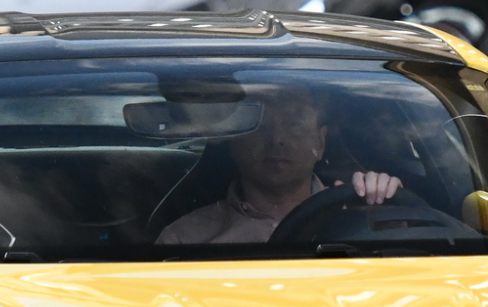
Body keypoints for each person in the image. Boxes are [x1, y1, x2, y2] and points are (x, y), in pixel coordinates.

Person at [155, 85, 401, 244]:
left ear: (321, 141)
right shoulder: (185, 239)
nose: (277, 139)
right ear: (234, 141)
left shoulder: (361, 215)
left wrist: (388, 205)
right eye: (260, 125)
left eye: (294, 124)